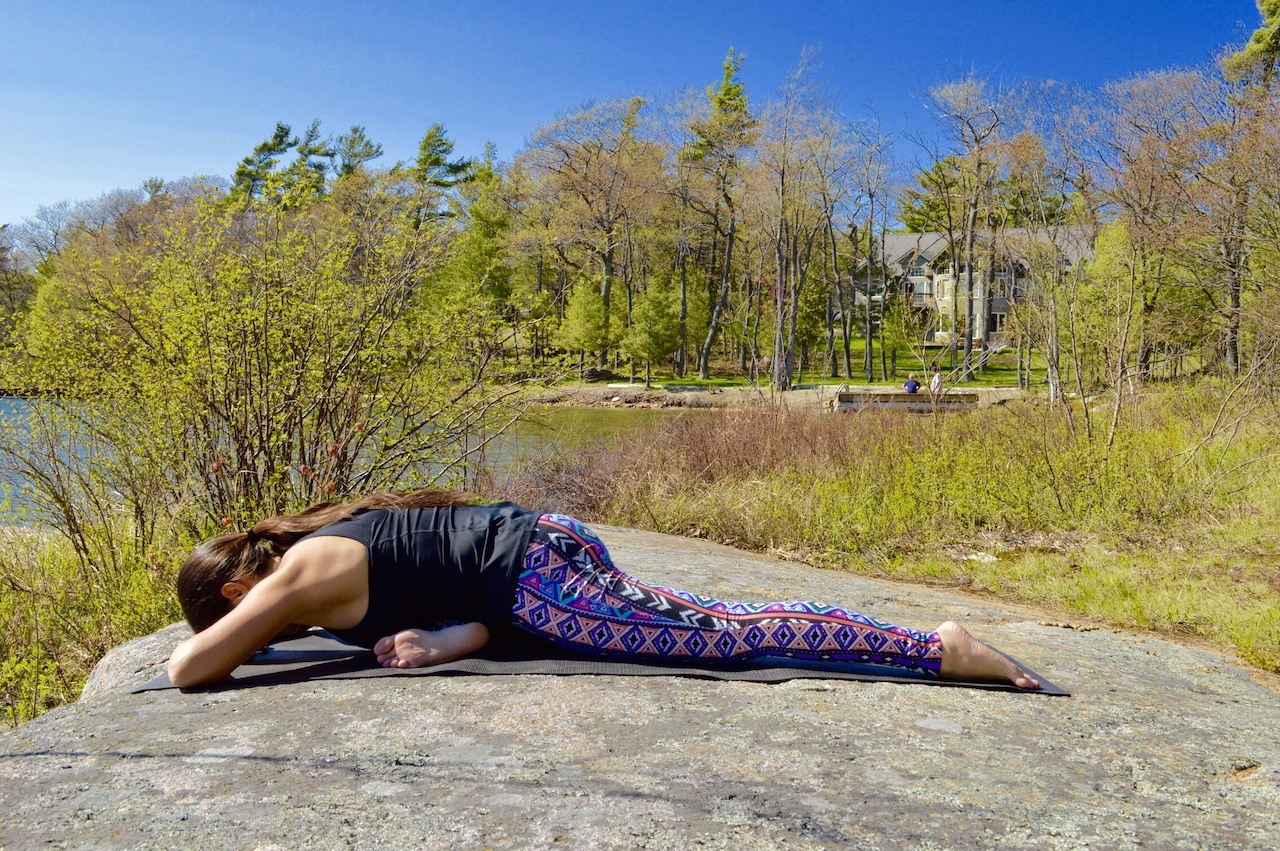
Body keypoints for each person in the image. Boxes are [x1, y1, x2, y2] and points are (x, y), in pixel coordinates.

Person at [169, 491, 1039, 690]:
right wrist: (445, 643)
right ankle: (932, 646)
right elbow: (462, 596)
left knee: (724, 635)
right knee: (713, 627)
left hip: (538, 569)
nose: (258, 635)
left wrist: (199, 640)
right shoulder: (320, 585)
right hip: (526, 568)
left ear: (243, 587)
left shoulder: (299, 574)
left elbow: (187, 672)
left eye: (239, 615)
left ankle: (936, 647)